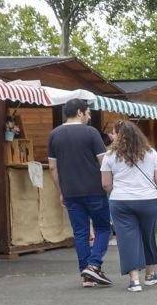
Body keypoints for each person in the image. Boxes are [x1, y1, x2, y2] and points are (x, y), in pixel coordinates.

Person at [46, 101, 112, 286]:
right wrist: (110, 184)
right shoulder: (91, 133)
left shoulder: (54, 134)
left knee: (80, 232)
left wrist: (61, 191)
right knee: (103, 228)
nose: (89, 116)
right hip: (94, 189)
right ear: (79, 112)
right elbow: (103, 162)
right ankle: (93, 265)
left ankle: (86, 275)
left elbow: (52, 167)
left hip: (70, 191)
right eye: (88, 112)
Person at [100, 120, 157, 292]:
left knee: (127, 239)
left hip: (120, 201)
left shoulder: (109, 156)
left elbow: (106, 185)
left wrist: (121, 189)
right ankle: (150, 275)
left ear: (118, 136)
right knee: (148, 236)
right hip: (148, 200)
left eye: (113, 133)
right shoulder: (151, 153)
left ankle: (134, 280)